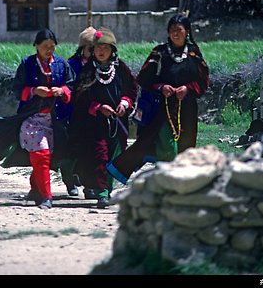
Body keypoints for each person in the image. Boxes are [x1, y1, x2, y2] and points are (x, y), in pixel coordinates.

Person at [0, 28, 74, 209]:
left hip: (55, 119)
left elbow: (71, 85)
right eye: (45, 46)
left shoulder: (61, 64)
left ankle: (35, 189)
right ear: (36, 46)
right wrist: (33, 91)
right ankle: (46, 197)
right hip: (32, 119)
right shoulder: (28, 64)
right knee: (41, 155)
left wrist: (62, 91)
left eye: (52, 47)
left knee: (49, 157)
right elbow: (17, 89)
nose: (49, 50)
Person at [106, 14, 210, 184]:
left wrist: (188, 88)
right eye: (172, 30)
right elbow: (144, 78)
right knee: (166, 146)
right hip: (162, 108)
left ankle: (180, 183)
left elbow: (203, 80)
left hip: (187, 109)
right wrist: (162, 88)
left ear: (187, 32)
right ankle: (166, 181)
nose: (176, 33)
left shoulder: (193, 52)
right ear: (168, 33)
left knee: (186, 146)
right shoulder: (159, 52)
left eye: (179, 30)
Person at [70, 28, 137, 208]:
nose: (101, 52)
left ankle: (106, 189)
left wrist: (124, 103)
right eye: (98, 48)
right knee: (100, 155)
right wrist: (98, 107)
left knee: (114, 156)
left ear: (112, 50)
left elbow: (131, 89)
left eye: (105, 48)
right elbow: (80, 94)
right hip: (94, 124)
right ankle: (102, 193)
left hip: (117, 121)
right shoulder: (88, 70)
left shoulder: (121, 68)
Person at [60, 26, 96, 198]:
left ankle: (89, 185)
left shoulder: (100, 66)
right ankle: (69, 180)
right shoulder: (71, 65)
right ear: (83, 49)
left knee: (90, 151)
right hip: (72, 115)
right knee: (70, 151)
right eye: (92, 48)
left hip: (92, 115)